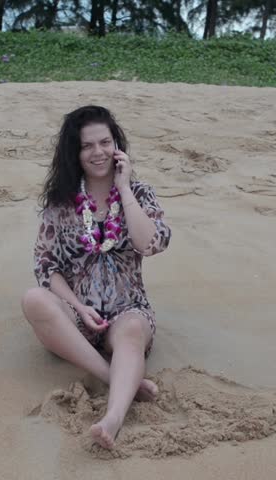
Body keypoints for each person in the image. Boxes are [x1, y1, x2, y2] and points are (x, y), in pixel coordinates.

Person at [21, 105, 171, 449]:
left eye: (105, 142)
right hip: (77, 318)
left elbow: (151, 244)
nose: (98, 152)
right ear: (75, 153)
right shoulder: (61, 202)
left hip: (128, 310)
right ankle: (116, 377)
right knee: (33, 299)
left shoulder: (140, 193)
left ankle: (112, 418)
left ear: (116, 145)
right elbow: (46, 265)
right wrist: (77, 306)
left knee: (132, 329)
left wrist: (125, 188)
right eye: (87, 145)